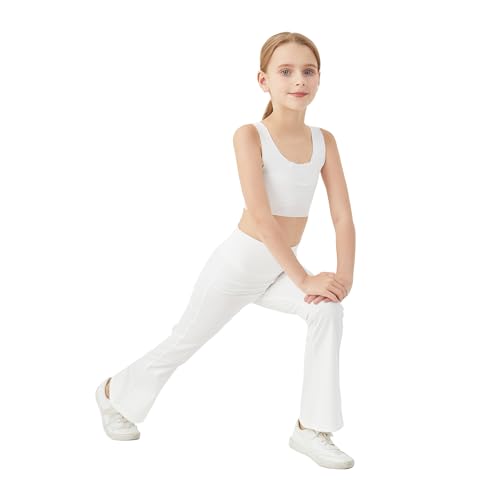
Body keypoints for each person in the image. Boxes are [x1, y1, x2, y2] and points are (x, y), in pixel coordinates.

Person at [95, 31, 356, 470]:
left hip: (281, 268)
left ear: (319, 79)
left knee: (327, 311)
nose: (298, 80)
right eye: (285, 71)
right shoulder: (249, 135)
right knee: (184, 340)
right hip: (240, 265)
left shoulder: (324, 140)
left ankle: (311, 429)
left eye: (308, 71)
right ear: (263, 80)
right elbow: (263, 218)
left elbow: (343, 216)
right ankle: (112, 394)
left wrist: (343, 276)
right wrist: (306, 278)